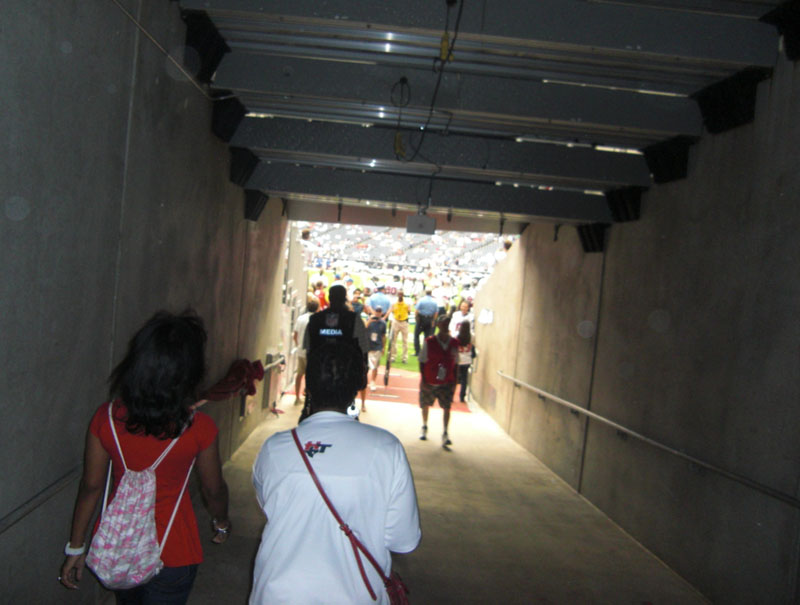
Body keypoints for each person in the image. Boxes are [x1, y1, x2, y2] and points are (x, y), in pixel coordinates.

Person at [59, 310, 230, 603]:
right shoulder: (200, 429)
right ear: (188, 372)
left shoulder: (107, 418)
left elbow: (91, 487)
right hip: (174, 553)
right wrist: (221, 520)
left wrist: (76, 546)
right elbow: (212, 489)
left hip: (121, 549)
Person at [251, 342, 421, 603]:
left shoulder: (274, 449)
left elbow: (271, 507)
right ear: (358, 383)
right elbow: (403, 540)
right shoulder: (388, 449)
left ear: (308, 382)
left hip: (277, 595)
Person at [303, 285, 368, 419]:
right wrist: (363, 375)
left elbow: (308, 352)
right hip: (346, 379)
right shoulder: (354, 319)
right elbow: (363, 350)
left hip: (319, 378)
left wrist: (309, 380)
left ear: (329, 298)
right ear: (345, 298)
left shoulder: (315, 320)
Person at [419, 314, 460, 449]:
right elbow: (422, 361)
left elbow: (456, 363)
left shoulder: (454, 343)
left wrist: (455, 381)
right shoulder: (429, 341)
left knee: (447, 407)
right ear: (438, 325)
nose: (445, 326)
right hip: (430, 379)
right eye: (443, 323)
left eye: (447, 323)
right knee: (425, 404)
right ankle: (424, 426)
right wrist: (423, 379)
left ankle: (445, 432)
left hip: (447, 381)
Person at [292, 298, 319, 405]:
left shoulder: (300, 319)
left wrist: (298, 345)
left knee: (299, 374)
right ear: (317, 308)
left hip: (300, 351)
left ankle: (297, 397)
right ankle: (309, 397)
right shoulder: (317, 320)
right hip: (312, 352)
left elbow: (295, 335)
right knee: (311, 376)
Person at [365, 307, 388, 400]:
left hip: (377, 346)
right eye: (376, 312)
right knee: (366, 365)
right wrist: (370, 320)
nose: (378, 314)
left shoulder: (383, 323)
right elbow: (363, 329)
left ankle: (373, 381)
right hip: (368, 345)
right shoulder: (368, 320)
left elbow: (383, 336)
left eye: (379, 312)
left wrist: (383, 347)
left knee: (375, 366)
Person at [413, 288, 438, 357]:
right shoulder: (434, 301)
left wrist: (416, 318)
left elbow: (416, 310)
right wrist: (433, 320)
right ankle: (425, 352)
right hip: (430, 319)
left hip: (421, 319)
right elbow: (436, 312)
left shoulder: (421, 300)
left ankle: (417, 351)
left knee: (416, 335)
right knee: (427, 337)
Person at [456, 320, 476, 403]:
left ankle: (451, 395)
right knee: (464, 379)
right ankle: (462, 396)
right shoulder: (472, 336)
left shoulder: (457, 336)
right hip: (467, 360)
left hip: (458, 359)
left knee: (455, 378)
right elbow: (472, 345)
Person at [388, 290, 410, 363]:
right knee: (393, 340)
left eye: (401, 294)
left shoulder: (406, 303)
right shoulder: (394, 303)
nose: (400, 296)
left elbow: (409, 311)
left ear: (403, 295)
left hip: (404, 322)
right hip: (396, 321)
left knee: (405, 341)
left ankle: (404, 358)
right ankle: (393, 356)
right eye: (399, 294)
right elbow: (392, 311)